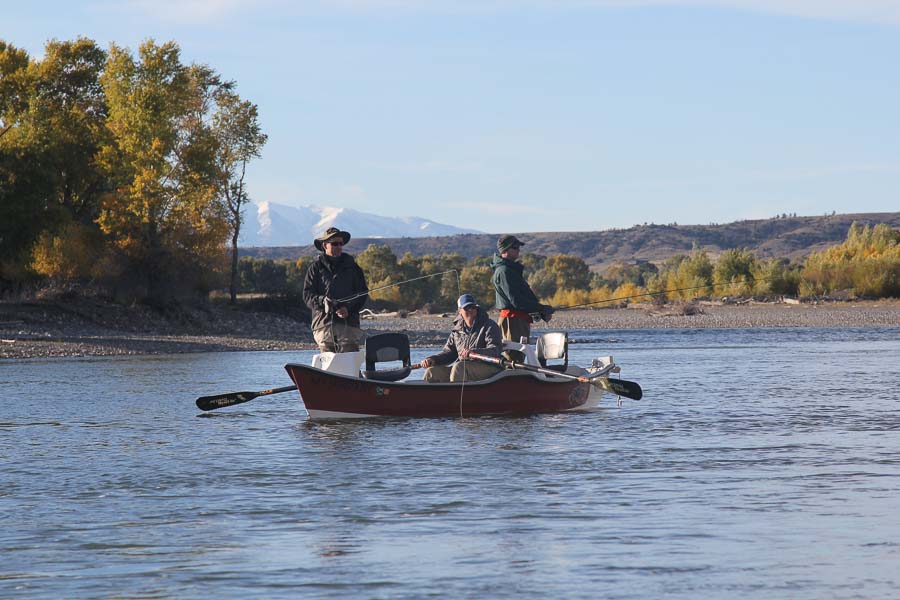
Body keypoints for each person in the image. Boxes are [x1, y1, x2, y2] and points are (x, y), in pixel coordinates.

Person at [302, 226, 369, 352]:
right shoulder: (315, 268)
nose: (339, 246)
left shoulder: (353, 268)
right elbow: (307, 295)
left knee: (349, 362)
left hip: (349, 325)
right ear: (324, 245)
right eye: (334, 244)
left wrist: (347, 308)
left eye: (340, 243)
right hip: (323, 325)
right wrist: (322, 301)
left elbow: (362, 294)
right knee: (329, 363)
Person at [490, 234, 554, 362]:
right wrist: (541, 308)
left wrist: (540, 312)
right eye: (515, 247)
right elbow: (516, 301)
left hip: (518, 320)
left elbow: (522, 297)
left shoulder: (509, 269)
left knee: (517, 357)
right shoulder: (504, 271)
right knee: (514, 358)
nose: (518, 250)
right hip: (512, 321)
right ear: (506, 250)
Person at [420, 294, 504, 383]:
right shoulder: (457, 330)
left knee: (459, 367)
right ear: (459, 311)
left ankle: (456, 396)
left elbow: (495, 350)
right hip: (464, 368)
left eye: (473, 307)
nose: (471, 310)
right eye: (467, 307)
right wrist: (433, 359)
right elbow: (449, 353)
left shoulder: (490, 326)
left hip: (490, 368)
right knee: (432, 372)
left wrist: (474, 352)